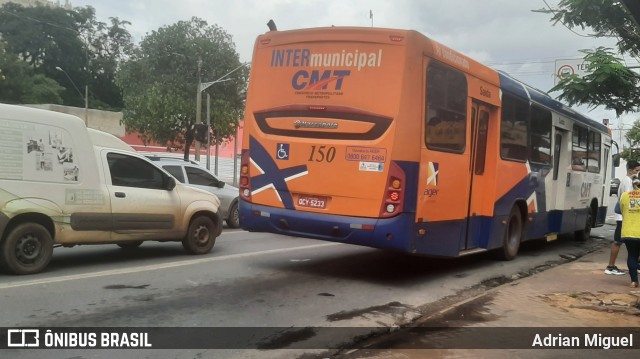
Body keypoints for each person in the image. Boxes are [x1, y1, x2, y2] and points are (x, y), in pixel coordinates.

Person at [606, 159, 640, 275]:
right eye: (636, 170)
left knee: (623, 242)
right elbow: (630, 199)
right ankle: (610, 266)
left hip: (626, 217)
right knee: (618, 241)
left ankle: (634, 265)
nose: (638, 173)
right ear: (630, 170)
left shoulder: (629, 181)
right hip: (624, 218)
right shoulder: (628, 182)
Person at [619, 177, 640, 287]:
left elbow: (620, 210)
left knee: (632, 256)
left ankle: (634, 281)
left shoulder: (625, 195)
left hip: (628, 231)